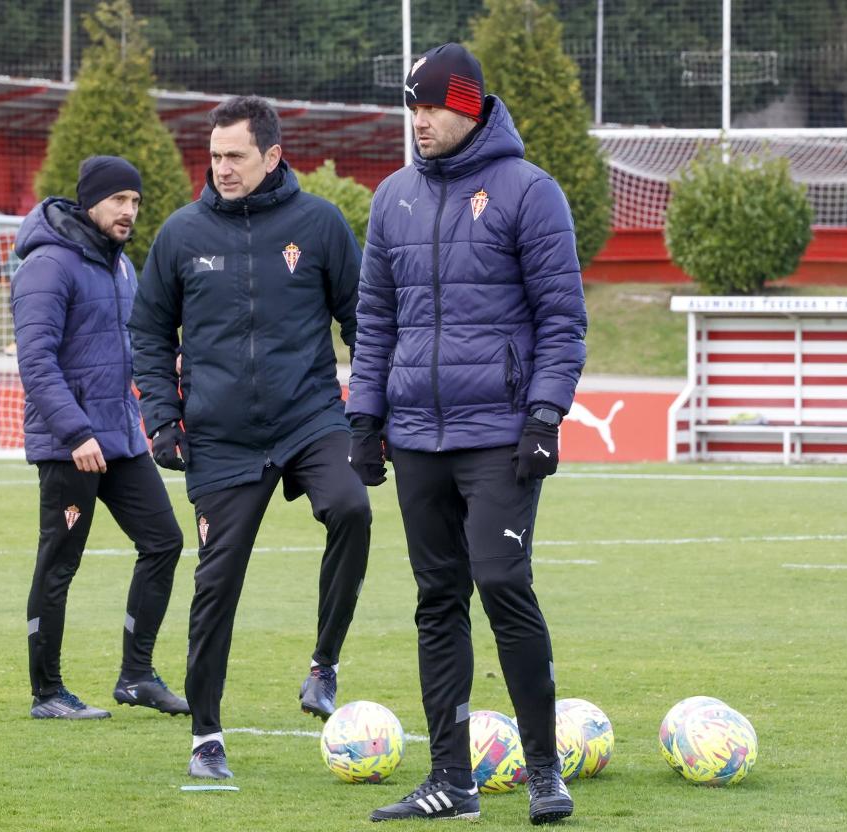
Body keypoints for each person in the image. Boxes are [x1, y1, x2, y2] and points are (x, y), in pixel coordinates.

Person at [347, 44, 587, 824]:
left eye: (434, 108)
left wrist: (546, 415)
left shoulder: (530, 192)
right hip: (416, 434)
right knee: (435, 600)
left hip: (500, 436)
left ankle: (545, 770)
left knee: (504, 586)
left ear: (473, 106)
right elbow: (374, 320)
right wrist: (364, 418)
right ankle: (451, 781)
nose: (420, 122)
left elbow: (562, 320)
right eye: (411, 107)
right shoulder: (392, 199)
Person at [129, 95, 371, 779]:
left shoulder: (320, 224)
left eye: (235, 156)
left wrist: (374, 411)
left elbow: (362, 320)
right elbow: (148, 332)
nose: (222, 169)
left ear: (271, 155)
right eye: (214, 156)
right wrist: (162, 417)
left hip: (310, 418)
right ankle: (206, 736)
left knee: (351, 508)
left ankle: (323, 666)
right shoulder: (180, 235)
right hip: (222, 439)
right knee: (217, 584)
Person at [12, 155, 190, 720]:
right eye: (120, 200)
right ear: (91, 200)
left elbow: (135, 350)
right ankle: (47, 693)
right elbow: (35, 361)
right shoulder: (47, 266)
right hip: (73, 444)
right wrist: (75, 432)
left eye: (135, 202)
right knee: (60, 564)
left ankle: (136, 675)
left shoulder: (121, 268)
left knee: (164, 541)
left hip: (120, 437)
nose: (130, 211)